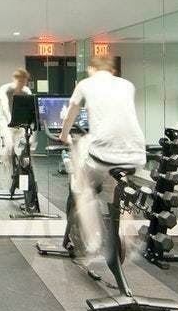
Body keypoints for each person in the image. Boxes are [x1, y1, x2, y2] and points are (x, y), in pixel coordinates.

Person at [58, 55, 146, 261]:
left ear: (91, 69)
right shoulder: (127, 85)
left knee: (82, 186)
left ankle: (93, 241)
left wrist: (63, 135)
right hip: (135, 151)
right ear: (112, 70)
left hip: (103, 151)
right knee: (121, 187)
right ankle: (128, 233)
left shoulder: (85, 84)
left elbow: (71, 113)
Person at [0, 69, 34, 184]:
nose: (22, 84)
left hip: (20, 121)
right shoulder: (5, 89)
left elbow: (31, 107)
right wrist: (10, 120)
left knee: (27, 144)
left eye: (24, 81)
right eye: (20, 81)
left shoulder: (26, 91)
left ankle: (23, 168)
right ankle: (5, 170)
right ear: (15, 79)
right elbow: (5, 106)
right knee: (9, 146)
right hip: (6, 121)